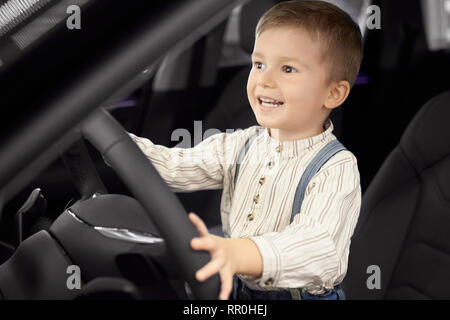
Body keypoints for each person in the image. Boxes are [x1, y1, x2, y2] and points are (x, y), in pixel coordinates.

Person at [127, 0, 363, 300]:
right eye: (259, 64)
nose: (264, 80)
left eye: (288, 68)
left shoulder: (336, 167)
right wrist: (116, 142)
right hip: (239, 286)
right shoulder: (241, 143)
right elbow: (175, 166)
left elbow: (318, 247)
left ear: (333, 93)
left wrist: (240, 253)